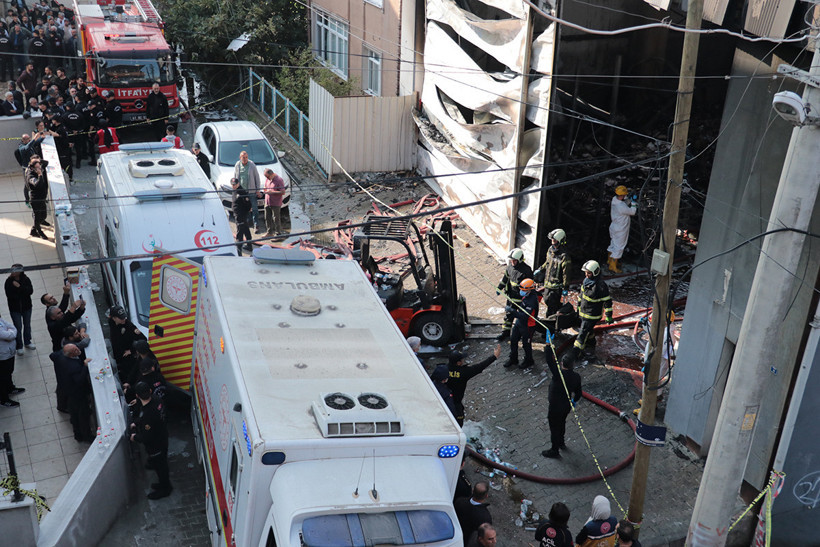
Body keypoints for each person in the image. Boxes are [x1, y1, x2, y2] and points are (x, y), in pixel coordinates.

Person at [130, 381, 172, 499]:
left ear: (137, 395)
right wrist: (137, 422)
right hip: (163, 437)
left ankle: (165, 488)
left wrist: (135, 437)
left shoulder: (148, 414)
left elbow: (146, 437)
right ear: (150, 391)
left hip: (156, 445)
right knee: (161, 464)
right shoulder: (156, 400)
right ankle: (163, 484)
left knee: (161, 467)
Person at [447, 344, 501, 425]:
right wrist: (494, 357)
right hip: (456, 403)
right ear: (458, 363)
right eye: (462, 359)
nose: (463, 360)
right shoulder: (464, 372)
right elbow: (480, 367)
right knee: (458, 422)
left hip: (443, 399)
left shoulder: (443, 369)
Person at [541, 353, 582, 459]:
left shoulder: (558, 374)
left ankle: (554, 450)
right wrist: (574, 401)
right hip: (566, 406)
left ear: (562, 363)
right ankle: (561, 442)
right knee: (562, 422)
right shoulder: (576, 377)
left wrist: (548, 347)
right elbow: (578, 394)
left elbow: (549, 361)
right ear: (573, 364)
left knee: (554, 427)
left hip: (555, 407)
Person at [571, 260, 612, 361]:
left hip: (592, 315)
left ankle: (575, 353)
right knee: (588, 330)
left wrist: (608, 315)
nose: (586, 275)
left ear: (595, 272)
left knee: (582, 335)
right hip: (583, 312)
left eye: (589, 273)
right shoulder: (586, 281)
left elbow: (607, 301)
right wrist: (578, 307)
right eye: (586, 272)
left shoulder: (600, 286)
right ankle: (591, 345)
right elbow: (581, 295)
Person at [51, 343, 93, 441]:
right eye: (75, 350)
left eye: (76, 347)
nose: (78, 349)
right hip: (77, 394)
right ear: (70, 354)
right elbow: (79, 380)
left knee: (74, 413)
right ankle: (86, 435)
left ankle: (77, 434)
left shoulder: (60, 356)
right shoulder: (73, 366)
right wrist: (85, 366)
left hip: (68, 390)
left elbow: (52, 355)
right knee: (83, 415)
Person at [533, 228, 571, 320]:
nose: (552, 242)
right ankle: (556, 313)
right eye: (552, 240)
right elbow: (547, 262)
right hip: (547, 283)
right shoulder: (550, 250)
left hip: (556, 286)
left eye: (554, 240)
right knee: (546, 300)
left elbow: (566, 273)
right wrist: (540, 269)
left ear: (560, 241)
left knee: (552, 306)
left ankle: (550, 322)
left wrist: (565, 287)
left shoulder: (564, 256)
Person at [496, 248, 532, 341]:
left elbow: (530, 285)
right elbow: (505, 279)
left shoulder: (527, 270)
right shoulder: (510, 267)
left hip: (522, 299)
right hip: (511, 297)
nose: (512, 262)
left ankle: (521, 334)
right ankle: (505, 332)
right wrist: (499, 287)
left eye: (514, 260)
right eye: (511, 260)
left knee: (522, 318)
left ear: (520, 260)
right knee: (508, 316)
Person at [504, 278, 538, 369]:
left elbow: (525, 316)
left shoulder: (532, 301)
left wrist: (512, 311)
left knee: (526, 344)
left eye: (523, 290)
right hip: (519, 323)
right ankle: (513, 359)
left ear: (529, 290)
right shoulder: (526, 296)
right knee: (513, 340)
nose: (521, 292)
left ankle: (529, 361)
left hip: (528, 325)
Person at [107, 305, 146, 381]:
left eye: (124, 317)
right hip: (117, 353)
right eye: (121, 318)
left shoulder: (128, 325)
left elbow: (143, 339)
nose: (124, 319)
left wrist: (132, 351)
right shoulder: (112, 322)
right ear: (114, 318)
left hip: (126, 356)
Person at [5, 263, 35, 355]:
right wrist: (21, 292)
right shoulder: (8, 282)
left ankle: (27, 341)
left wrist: (19, 287)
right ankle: (19, 346)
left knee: (27, 325)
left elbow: (30, 291)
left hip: (27, 307)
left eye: (15, 270)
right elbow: (10, 295)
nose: (13, 272)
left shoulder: (26, 279)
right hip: (15, 309)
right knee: (18, 327)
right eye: (12, 270)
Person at [607, 185, 636, 274]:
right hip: (621, 229)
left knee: (613, 244)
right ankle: (613, 266)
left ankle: (610, 260)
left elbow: (624, 202)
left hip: (614, 227)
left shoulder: (614, 200)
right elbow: (632, 211)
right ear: (622, 195)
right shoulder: (621, 206)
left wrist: (628, 199)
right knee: (619, 247)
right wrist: (633, 202)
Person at [233, 150, 262, 233]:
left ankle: (256, 224)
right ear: (240, 158)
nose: (245, 159)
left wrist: (257, 190)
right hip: (242, 192)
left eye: (246, 157)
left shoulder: (252, 165)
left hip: (251, 191)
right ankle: (248, 223)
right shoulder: (237, 165)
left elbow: (257, 178)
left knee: (254, 208)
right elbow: (235, 177)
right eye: (243, 157)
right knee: (244, 208)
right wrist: (235, 188)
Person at [0, 313, 23, 407]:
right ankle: (4, 399)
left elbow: (12, 327)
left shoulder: (0, 320)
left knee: (9, 372)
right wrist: (10, 333)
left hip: (9, 352)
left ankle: (10, 388)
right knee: (2, 377)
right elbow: (9, 335)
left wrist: (10, 333)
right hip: (2, 355)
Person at [24, 156, 49, 239]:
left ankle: (35, 228)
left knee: (44, 216)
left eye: (39, 165)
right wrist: (40, 174)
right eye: (37, 166)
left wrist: (38, 161)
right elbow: (38, 184)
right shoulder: (30, 175)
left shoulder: (38, 166)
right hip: (36, 200)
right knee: (37, 218)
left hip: (42, 197)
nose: (40, 167)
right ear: (32, 168)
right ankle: (38, 231)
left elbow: (46, 163)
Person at [230, 177, 253, 255]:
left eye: (235, 184)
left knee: (240, 233)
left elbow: (248, 204)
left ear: (238, 184)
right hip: (237, 214)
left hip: (241, 215)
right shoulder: (235, 191)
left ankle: (239, 251)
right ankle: (249, 245)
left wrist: (246, 211)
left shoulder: (242, 192)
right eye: (232, 185)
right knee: (246, 229)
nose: (233, 186)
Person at [262, 168, 286, 236]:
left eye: (267, 176)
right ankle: (269, 232)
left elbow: (283, 192)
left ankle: (278, 233)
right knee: (267, 217)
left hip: (276, 203)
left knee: (276, 219)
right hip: (267, 201)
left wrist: (272, 192)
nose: (266, 178)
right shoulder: (268, 179)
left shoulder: (279, 180)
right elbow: (265, 186)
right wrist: (265, 190)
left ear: (271, 174)